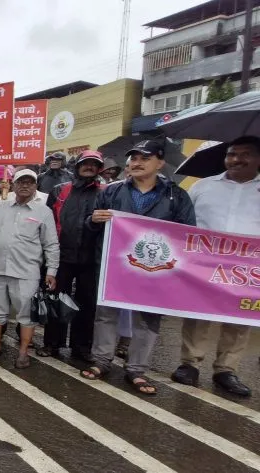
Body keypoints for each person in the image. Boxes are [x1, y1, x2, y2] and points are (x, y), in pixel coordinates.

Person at [81, 140, 196, 395]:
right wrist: (93, 219)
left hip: (156, 270)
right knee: (106, 314)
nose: (136, 162)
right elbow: (88, 223)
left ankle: (136, 368)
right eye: (133, 157)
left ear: (160, 163)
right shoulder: (111, 191)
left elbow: (188, 233)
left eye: (145, 157)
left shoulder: (176, 196)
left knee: (147, 319)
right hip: (114, 265)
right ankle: (101, 360)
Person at [171, 135, 260, 397]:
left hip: (248, 269)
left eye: (244, 154)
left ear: (258, 159)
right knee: (199, 313)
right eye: (231, 154)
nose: (236, 159)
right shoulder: (202, 187)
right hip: (204, 264)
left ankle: (226, 370)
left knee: (239, 317)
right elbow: (181, 221)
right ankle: (190, 364)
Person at [0, 170, 59, 368]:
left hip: (26, 272)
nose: (25, 185)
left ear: (35, 186)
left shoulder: (43, 212)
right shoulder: (0, 207)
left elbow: (51, 244)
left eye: (30, 182)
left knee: (26, 314)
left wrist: (51, 270)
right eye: (21, 181)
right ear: (14, 184)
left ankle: (23, 352)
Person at [39, 150, 105, 360]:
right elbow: (46, 224)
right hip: (62, 257)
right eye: (86, 163)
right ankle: (52, 344)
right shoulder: (60, 190)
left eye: (94, 164)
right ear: (77, 166)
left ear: (99, 168)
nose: (90, 167)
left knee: (87, 305)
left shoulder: (106, 192)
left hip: (91, 259)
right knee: (56, 300)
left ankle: (82, 347)